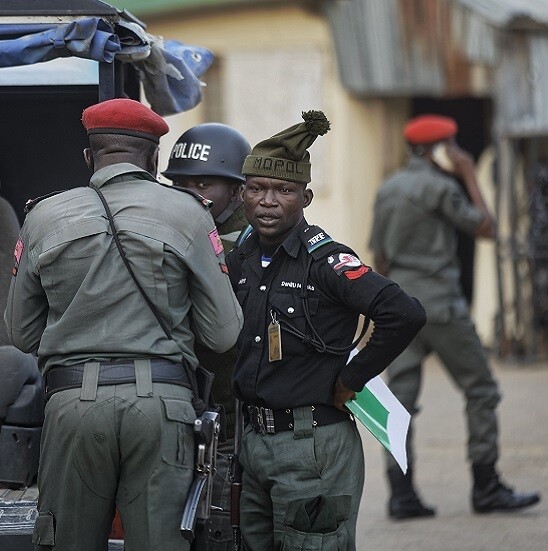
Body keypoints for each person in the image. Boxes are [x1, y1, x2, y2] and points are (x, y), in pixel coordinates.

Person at [5, 98, 243, 551]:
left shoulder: (43, 216)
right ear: (154, 158)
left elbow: (20, 333)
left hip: (72, 405)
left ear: (88, 157)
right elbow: (222, 334)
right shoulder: (189, 213)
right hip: (163, 404)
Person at [227, 110, 426, 551]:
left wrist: (351, 381)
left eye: (284, 190)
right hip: (254, 444)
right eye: (257, 189)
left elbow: (404, 313)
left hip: (312, 443)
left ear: (306, 197)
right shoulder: (240, 258)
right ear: (242, 194)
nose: (268, 201)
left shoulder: (325, 261)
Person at [369, 113, 540, 519]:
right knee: (480, 390)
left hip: (400, 308)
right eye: (453, 146)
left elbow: (380, 257)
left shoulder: (388, 188)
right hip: (441, 306)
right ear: (440, 149)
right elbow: (486, 227)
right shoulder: (441, 186)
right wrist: (468, 173)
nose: (459, 153)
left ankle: (401, 495)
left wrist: (382, 308)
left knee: (399, 401)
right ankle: (487, 487)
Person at [162, 122, 252, 549]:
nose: (190, 194)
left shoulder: (256, 242)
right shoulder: (163, 229)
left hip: (237, 415)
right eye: (178, 183)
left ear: (237, 191)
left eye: (204, 183)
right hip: (178, 409)